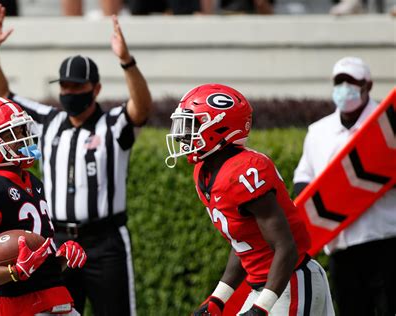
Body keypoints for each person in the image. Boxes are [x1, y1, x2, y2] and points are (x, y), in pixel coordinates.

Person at [0, 4, 152, 315]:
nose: (70, 92)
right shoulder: (48, 120)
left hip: (105, 240)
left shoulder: (113, 124)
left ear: (96, 89)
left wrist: (127, 62)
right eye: (65, 86)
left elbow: (141, 108)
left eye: (77, 86)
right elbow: (1, 97)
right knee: (56, 311)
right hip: (56, 240)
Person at [165, 83, 334, 316]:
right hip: (265, 288)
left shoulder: (245, 171)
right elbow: (243, 241)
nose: (182, 134)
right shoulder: (204, 172)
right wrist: (218, 298)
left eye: (193, 124)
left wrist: (260, 309)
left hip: (291, 282)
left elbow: (286, 248)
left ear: (220, 127)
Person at [0, 96, 87, 316]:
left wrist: (60, 258)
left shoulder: (31, 181)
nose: (23, 139)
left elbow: (33, 263)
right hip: (21, 308)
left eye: (22, 131)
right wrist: (13, 271)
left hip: (57, 303)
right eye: (10, 135)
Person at [293, 56, 396, 316]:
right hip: (340, 246)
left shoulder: (389, 127)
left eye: (352, 82)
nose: (345, 88)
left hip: (385, 243)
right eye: (340, 82)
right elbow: (302, 177)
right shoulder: (318, 131)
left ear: (367, 86)